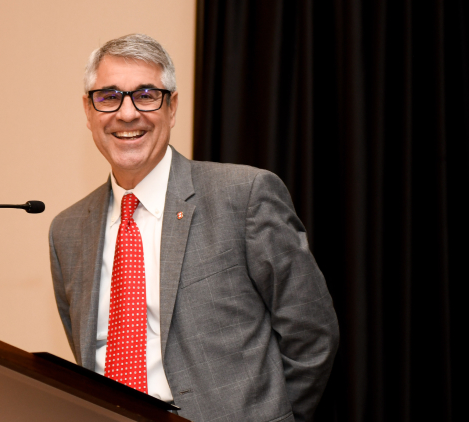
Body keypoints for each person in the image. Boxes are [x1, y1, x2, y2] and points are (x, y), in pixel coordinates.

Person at [48, 33, 339, 422]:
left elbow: (311, 331)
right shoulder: (67, 231)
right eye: (109, 96)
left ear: (172, 108)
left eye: (147, 94)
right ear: (88, 110)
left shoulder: (243, 196)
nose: (127, 113)